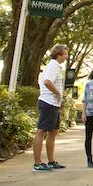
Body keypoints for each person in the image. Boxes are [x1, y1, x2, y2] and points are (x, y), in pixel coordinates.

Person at [34, 44, 68, 172]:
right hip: (48, 102)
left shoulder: (55, 66)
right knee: (41, 131)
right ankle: (37, 163)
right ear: (58, 54)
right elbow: (47, 81)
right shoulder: (53, 65)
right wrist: (57, 93)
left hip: (54, 104)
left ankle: (51, 161)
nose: (66, 56)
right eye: (65, 54)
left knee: (53, 132)